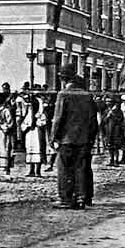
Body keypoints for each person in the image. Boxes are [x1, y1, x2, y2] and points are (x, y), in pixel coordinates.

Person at [51, 64, 98, 209]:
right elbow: (93, 120)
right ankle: (82, 198)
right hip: (83, 139)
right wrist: (91, 138)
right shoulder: (87, 95)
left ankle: (66, 199)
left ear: (63, 79)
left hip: (66, 139)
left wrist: (53, 137)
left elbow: (58, 118)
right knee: (81, 168)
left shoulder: (63, 94)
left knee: (64, 169)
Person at [19, 90, 48, 178]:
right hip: (30, 133)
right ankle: (31, 170)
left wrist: (36, 122)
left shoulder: (41, 114)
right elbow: (24, 123)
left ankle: (38, 171)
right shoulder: (28, 114)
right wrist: (27, 125)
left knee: (38, 149)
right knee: (30, 149)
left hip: (37, 132)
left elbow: (43, 122)